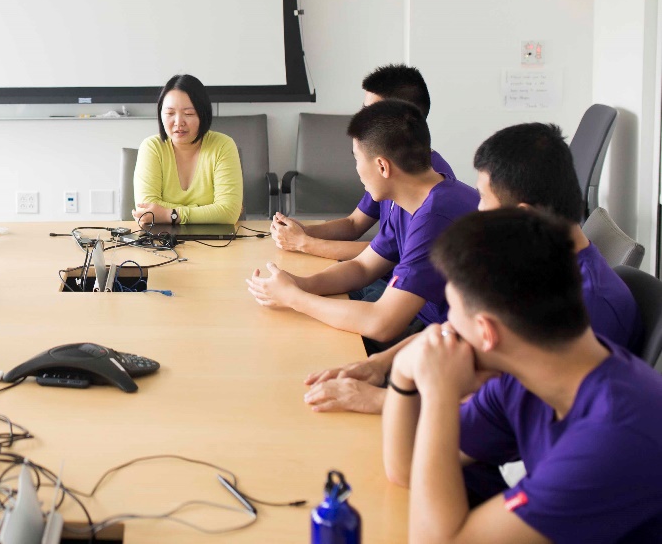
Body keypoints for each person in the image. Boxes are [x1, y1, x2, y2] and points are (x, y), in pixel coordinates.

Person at [303, 122, 644, 416]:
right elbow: (459, 331)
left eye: (484, 200)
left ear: (522, 216)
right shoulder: (530, 260)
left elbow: (510, 411)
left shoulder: (585, 308)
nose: (477, 210)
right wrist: (379, 364)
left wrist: (383, 399)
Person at [383, 209, 662, 543]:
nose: (447, 326)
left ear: (486, 332)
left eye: (453, 310)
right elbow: (405, 467)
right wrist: (403, 370)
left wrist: (438, 393)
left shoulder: (614, 433)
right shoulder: (527, 372)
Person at [247, 100, 479, 346]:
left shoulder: (434, 218)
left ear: (382, 166)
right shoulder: (411, 200)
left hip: (450, 339)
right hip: (427, 323)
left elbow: (382, 324)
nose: (357, 170)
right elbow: (363, 267)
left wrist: (294, 298)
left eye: (357, 159)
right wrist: (300, 284)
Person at [271, 63, 456, 261]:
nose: (361, 117)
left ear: (402, 116)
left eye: (370, 111)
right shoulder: (385, 166)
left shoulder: (429, 182)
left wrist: (304, 243)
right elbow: (354, 224)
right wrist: (303, 231)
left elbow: (389, 254)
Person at [132, 74, 242, 227]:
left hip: (213, 239)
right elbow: (147, 209)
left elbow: (228, 212)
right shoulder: (151, 147)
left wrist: (169, 214)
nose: (178, 122)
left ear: (203, 114)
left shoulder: (223, 146)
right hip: (161, 237)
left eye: (189, 114)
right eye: (170, 113)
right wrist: (207, 211)